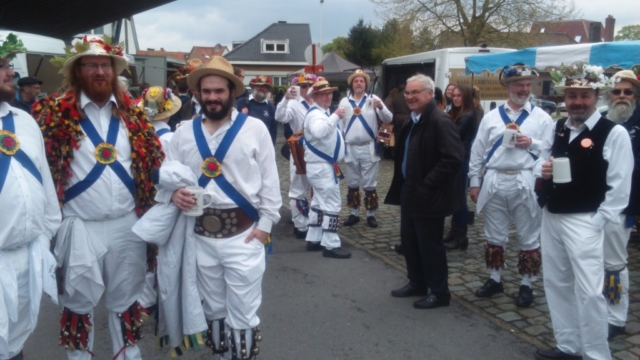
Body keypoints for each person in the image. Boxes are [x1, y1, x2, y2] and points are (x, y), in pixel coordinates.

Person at [33, 35, 164, 360]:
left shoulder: (132, 115)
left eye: (105, 65)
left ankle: (128, 355)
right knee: (78, 303)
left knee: (126, 300)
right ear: (78, 72)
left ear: (114, 71)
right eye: (91, 65)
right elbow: (40, 168)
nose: (99, 71)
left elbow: (154, 164)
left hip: (127, 225)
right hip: (80, 227)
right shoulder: (53, 114)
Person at [151, 55, 281, 359]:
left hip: (243, 235)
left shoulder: (255, 129)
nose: (212, 97)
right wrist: (172, 196)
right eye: (206, 91)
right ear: (197, 93)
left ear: (231, 92)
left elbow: (270, 182)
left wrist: (265, 227)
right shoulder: (182, 132)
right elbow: (166, 178)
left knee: (244, 311)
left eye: (218, 91)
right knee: (213, 308)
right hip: (199, 237)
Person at [534, 63, 633, 360]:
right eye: (573, 95)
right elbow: (541, 160)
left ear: (596, 97)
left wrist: (597, 222)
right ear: (565, 97)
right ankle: (568, 345)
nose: (577, 101)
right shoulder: (559, 127)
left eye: (584, 96)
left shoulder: (613, 133)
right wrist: (544, 169)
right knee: (557, 282)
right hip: (552, 215)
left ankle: (596, 354)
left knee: (590, 291)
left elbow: (620, 187)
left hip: (585, 220)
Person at [467, 64, 554, 308]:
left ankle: (527, 284)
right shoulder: (491, 117)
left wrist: (532, 143)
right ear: (508, 87)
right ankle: (495, 280)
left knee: (528, 236)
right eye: (519, 85)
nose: (525, 89)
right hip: (494, 179)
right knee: (494, 234)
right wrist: (475, 182)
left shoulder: (542, 118)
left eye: (528, 85)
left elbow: (550, 152)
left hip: (526, 179)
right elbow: (477, 151)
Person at [0, 32, 61, 360]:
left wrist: (47, 234)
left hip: (28, 255)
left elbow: (44, 183)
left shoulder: (24, 121)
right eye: (2, 66)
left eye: (9, 65)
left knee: (16, 344)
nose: (11, 73)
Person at [386, 74, 463, 309]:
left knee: (430, 245)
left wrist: (427, 184)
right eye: (407, 93)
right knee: (410, 241)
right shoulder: (413, 120)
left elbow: (453, 159)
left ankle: (440, 292)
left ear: (429, 94)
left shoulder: (439, 120)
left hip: (429, 195)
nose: (409, 97)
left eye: (415, 92)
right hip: (410, 192)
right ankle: (417, 282)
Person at [601, 70, 640, 340]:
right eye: (617, 92)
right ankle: (599, 308)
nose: (622, 96)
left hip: (624, 206)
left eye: (628, 92)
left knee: (614, 264)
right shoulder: (602, 121)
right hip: (594, 204)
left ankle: (615, 317)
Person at [303, 77, 351, 259]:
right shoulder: (316, 114)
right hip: (321, 167)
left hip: (322, 166)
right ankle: (330, 244)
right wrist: (335, 116)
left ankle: (313, 239)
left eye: (330, 93)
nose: (328, 97)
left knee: (317, 202)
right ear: (314, 96)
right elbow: (319, 132)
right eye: (323, 94)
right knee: (331, 203)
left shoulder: (320, 112)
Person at [339, 69, 393, 228]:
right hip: (350, 148)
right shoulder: (344, 102)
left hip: (369, 147)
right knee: (353, 182)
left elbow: (389, 119)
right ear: (351, 84)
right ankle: (354, 213)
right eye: (356, 81)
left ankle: (371, 214)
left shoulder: (373, 99)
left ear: (365, 84)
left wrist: (381, 107)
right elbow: (339, 124)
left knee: (370, 183)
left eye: (361, 81)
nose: (359, 83)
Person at [275, 72, 317, 239]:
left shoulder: (318, 103)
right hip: (299, 149)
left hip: (317, 151)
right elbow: (279, 117)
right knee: (298, 188)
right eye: (303, 86)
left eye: (309, 85)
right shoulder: (293, 104)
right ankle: (300, 226)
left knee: (316, 186)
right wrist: (285, 98)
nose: (307, 89)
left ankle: (313, 220)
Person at [443, 84, 478, 250]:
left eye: (459, 96)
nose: (455, 98)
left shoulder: (468, 115)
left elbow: (452, 135)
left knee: (459, 198)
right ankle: (454, 230)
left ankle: (461, 234)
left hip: (461, 159)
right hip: (456, 157)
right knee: (455, 196)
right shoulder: (457, 113)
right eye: (454, 95)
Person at [237, 75, 278, 145]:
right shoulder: (241, 102)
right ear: (253, 87)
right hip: (243, 145)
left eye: (265, 87)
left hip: (262, 146)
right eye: (259, 86)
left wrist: (271, 148)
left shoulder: (271, 108)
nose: (262, 88)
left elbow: (273, 131)